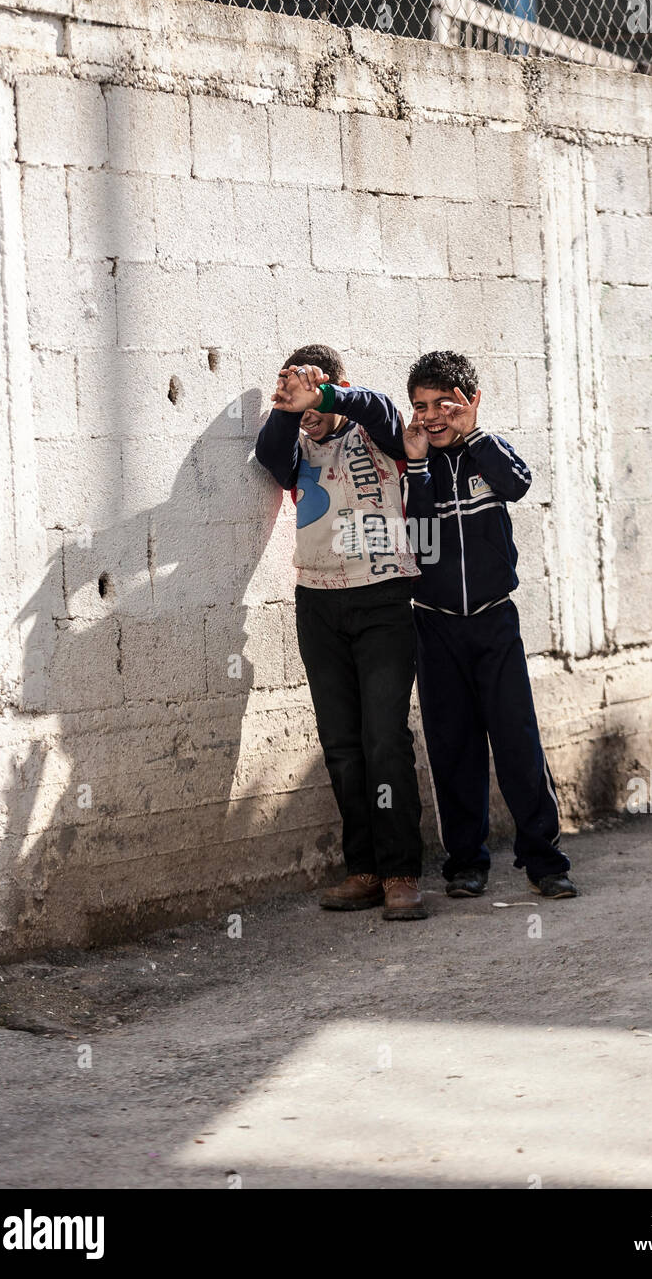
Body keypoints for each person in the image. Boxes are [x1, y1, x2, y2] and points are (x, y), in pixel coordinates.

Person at [255, 345, 427, 920]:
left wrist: (324, 392)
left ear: (336, 387)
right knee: (342, 744)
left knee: (384, 738)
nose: (308, 406)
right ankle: (365, 870)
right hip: (319, 604)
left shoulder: (373, 431)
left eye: (315, 391)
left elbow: (380, 407)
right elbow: (267, 454)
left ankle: (402, 873)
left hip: (382, 600)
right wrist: (287, 405)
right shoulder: (293, 444)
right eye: (294, 389)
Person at [401, 349, 577, 900]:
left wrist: (473, 433)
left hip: (495, 622)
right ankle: (466, 864)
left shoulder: (488, 452)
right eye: (420, 406)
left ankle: (544, 861)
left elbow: (518, 483)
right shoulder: (414, 461)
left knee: (517, 741)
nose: (431, 417)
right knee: (453, 747)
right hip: (434, 627)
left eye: (443, 405)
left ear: (470, 402)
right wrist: (418, 465)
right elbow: (420, 538)